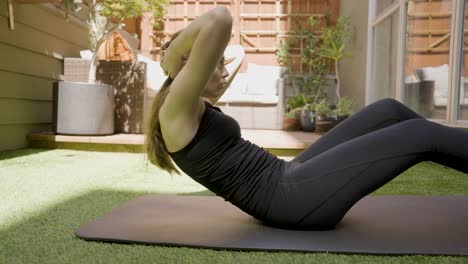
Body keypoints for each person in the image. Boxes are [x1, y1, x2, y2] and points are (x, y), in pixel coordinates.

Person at [146, 6, 468, 230]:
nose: (225, 69)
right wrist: (175, 54)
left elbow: (238, 53)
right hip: (290, 201)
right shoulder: (177, 109)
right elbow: (219, 17)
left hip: (288, 177)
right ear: (191, 69)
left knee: (388, 111)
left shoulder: (189, 103)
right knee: (418, 134)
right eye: (215, 64)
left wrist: (185, 57)